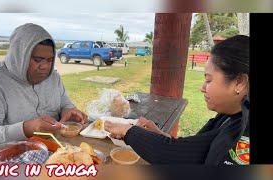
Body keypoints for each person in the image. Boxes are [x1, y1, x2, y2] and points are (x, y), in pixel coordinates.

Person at [104, 35, 249, 165]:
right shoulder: (231, 115)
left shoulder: (245, 135)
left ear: (239, 82)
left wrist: (128, 130)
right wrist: (160, 135)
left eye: (209, 80)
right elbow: (194, 152)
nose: (202, 88)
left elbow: (173, 156)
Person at [0, 23, 87, 151]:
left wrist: (69, 111)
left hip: (60, 148)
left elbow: (65, 104)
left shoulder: (53, 77)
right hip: (13, 157)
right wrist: (27, 128)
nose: (45, 67)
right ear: (19, 56)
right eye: (37, 59)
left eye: (49, 60)